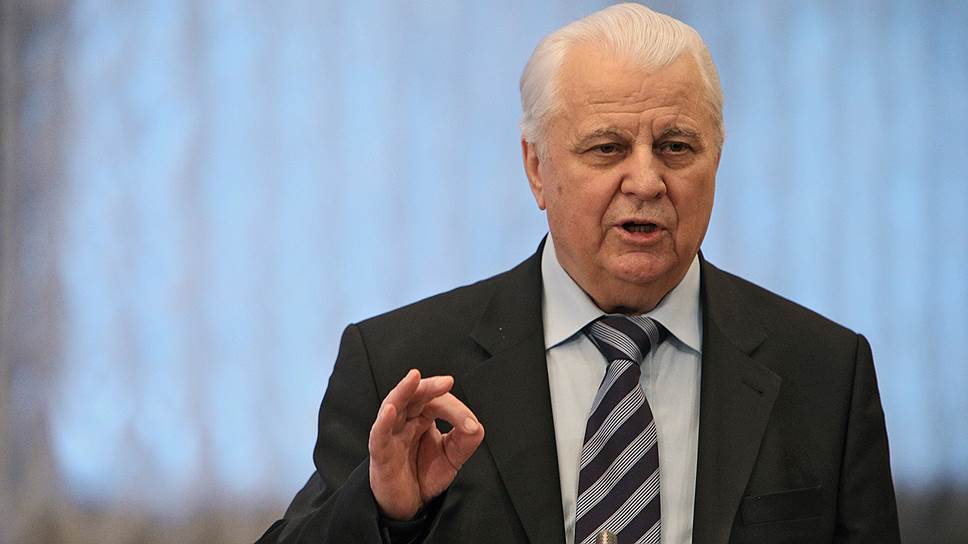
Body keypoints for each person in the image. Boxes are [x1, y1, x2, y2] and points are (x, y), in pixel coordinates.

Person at [257, 3, 899, 543]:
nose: (646, 181)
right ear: (536, 168)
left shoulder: (826, 373)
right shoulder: (401, 367)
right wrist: (386, 513)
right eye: (607, 148)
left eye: (676, 147)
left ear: (717, 158)